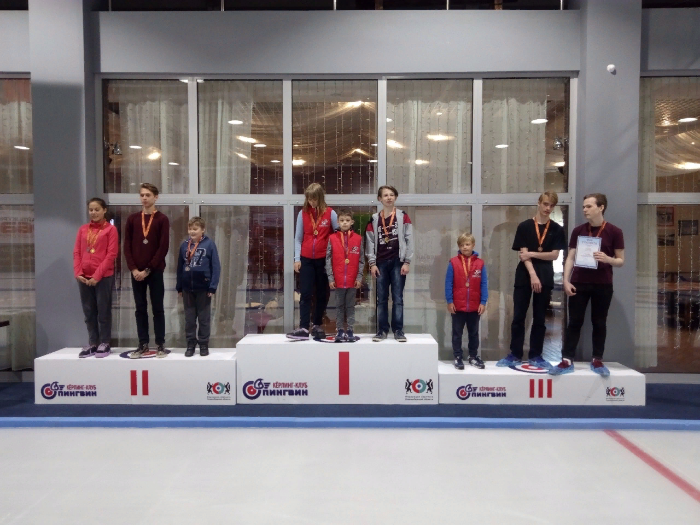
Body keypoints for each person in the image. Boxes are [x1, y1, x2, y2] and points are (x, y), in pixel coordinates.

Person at [549, 193, 625, 377]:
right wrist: (566, 280)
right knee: (574, 322)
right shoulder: (578, 231)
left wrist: (608, 259)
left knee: (599, 322)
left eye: (589, 206)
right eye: (583, 206)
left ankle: (597, 359)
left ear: (601, 207)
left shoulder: (615, 231)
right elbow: (570, 258)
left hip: (603, 284)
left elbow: (621, 260)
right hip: (579, 283)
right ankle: (567, 359)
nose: (584, 210)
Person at [496, 192, 567, 369]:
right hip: (525, 275)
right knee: (518, 316)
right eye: (545, 204)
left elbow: (554, 255)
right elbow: (523, 255)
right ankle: (515, 354)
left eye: (551, 205)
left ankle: (536, 355)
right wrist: (533, 275)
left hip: (546, 275)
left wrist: (533, 254)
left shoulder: (557, 229)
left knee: (540, 318)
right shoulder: (525, 226)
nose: (548, 208)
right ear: (538, 203)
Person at [287, 182, 339, 341]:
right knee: (306, 293)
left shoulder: (330, 213)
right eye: (309, 199)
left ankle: (317, 324)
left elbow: (338, 236)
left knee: (322, 293)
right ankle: (303, 327)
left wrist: (334, 257)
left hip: (324, 260)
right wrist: (297, 259)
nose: (312, 202)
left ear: (320, 198)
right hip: (307, 259)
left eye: (314, 199)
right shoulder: (303, 213)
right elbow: (298, 238)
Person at [124, 183, 170, 358]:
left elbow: (163, 247)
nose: (144, 198)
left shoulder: (162, 219)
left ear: (156, 197)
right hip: (137, 273)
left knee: (157, 308)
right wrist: (134, 269)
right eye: (142, 195)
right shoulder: (133, 219)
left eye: (148, 195)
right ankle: (142, 343)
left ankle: (160, 344)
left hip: (155, 271)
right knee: (140, 308)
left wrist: (148, 269)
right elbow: (127, 246)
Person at [366, 185, 414, 342]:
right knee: (381, 298)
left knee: (398, 298)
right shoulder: (374, 219)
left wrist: (407, 261)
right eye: (385, 195)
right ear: (379, 199)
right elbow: (370, 242)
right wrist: (372, 263)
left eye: (391, 195)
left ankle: (398, 330)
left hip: (398, 262)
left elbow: (409, 239)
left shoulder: (403, 216)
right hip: (380, 262)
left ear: (395, 197)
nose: (389, 197)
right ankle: (382, 330)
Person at [73, 198, 118, 358]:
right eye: (91, 210)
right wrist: (78, 272)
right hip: (84, 278)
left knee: (103, 311)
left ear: (104, 210)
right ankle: (93, 342)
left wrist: (97, 276)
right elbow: (77, 252)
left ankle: (104, 343)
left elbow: (111, 254)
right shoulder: (83, 229)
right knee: (89, 312)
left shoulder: (110, 230)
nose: (93, 212)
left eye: (97, 209)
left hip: (103, 277)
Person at [176, 216, 221, 357]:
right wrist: (179, 286)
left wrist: (212, 286)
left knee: (203, 318)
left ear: (203, 230)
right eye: (190, 229)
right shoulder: (184, 245)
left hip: (204, 288)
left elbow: (216, 267)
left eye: (195, 229)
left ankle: (203, 344)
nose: (192, 231)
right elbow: (180, 267)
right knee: (189, 319)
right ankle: (190, 343)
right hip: (187, 288)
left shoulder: (209, 244)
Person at [445, 233, 488, 369]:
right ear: (459, 246)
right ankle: (457, 356)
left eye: (467, 244)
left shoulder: (480, 264)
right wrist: (450, 301)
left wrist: (483, 302)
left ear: (473, 245)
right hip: (458, 306)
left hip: (475, 306)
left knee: (473, 333)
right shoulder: (453, 262)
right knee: (457, 333)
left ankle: (473, 356)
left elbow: (484, 284)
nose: (465, 247)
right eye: (462, 245)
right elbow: (448, 283)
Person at [325, 209, 365, 342]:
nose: (345, 223)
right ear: (337, 222)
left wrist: (359, 277)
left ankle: (351, 330)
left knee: (350, 306)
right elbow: (328, 259)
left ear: (352, 222)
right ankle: (340, 330)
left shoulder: (358, 239)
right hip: (338, 280)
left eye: (347, 220)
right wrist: (331, 278)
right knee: (339, 307)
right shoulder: (332, 238)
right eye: (342, 220)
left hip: (352, 280)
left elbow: (361, 260)